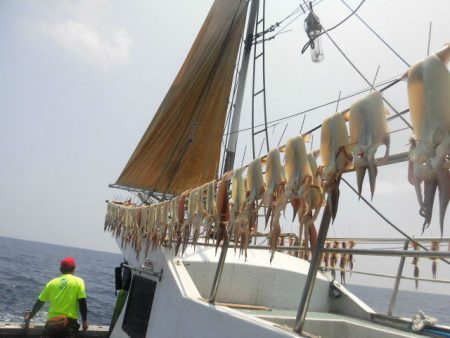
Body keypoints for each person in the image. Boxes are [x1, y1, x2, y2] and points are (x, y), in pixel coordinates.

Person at [24, 257, 88, 338]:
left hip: (52, 325)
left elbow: (40, 302)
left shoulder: (51, 283)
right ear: (73, 269)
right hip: (69, 325)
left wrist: (30, 316)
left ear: (60, 269)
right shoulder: (79, 281)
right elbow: (82, 303)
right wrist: (84, 321)